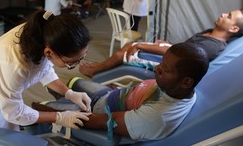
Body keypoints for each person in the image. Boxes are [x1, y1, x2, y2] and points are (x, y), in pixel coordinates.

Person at [0, 10, 92, 142]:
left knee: (11, 135)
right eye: (71, 63)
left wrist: (69, 93)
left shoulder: (43, 33)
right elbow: (14, 113)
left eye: (82, 57)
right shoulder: (13, 65)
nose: (77, 64)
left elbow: (44, 70)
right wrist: (59, 117)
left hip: (3, 93)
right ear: (49, 52)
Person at [38, 42, 209, 140]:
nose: (157, 69)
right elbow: (145, 93)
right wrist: (122, 90)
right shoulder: (178, 89)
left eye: (165, 68)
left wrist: (53, 115)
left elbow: (101, 121)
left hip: (97, 111)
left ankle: (53, 110)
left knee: (37, 110)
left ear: (186, 82)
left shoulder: (157, 117)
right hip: (110, 95)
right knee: (73, 83)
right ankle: (63, 99)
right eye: (161, 63)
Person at [79, 9, 243, 77]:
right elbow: (185, 48)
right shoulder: (210, 33)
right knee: (129, 46)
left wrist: (141, 45)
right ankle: (99, 66)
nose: (223, 14)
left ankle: (95, 71)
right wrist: (166, 44)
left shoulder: (212, 46)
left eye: (228, 16)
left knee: (126, 52)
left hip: (172, 62)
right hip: (174, 51)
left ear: (234, 29)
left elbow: (183, 56)